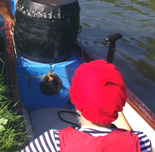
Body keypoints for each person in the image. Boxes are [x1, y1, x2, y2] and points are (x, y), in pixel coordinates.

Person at [20, 60, 152, 152]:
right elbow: (129, 138)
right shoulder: (141, 142)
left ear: (74, 99)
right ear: (121, 103)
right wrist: (112, 104)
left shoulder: (53, 142)